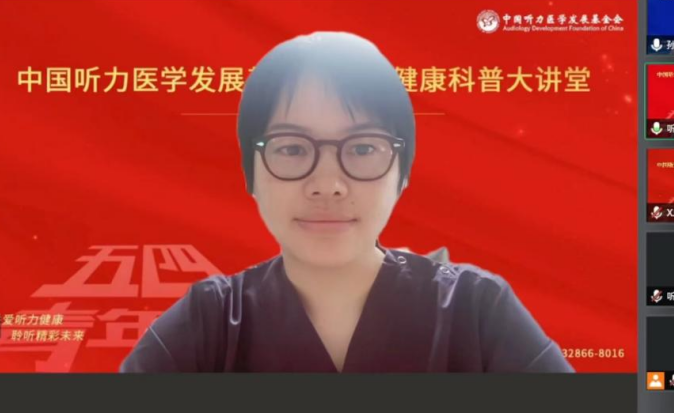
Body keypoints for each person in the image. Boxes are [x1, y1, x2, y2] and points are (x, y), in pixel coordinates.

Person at [120, 32, 574, 373]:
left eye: (361, 148)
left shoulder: (477, 311)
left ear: (402, 173)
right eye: (292, 148)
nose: (328, 185)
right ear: (250, 173)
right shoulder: (208, 325)